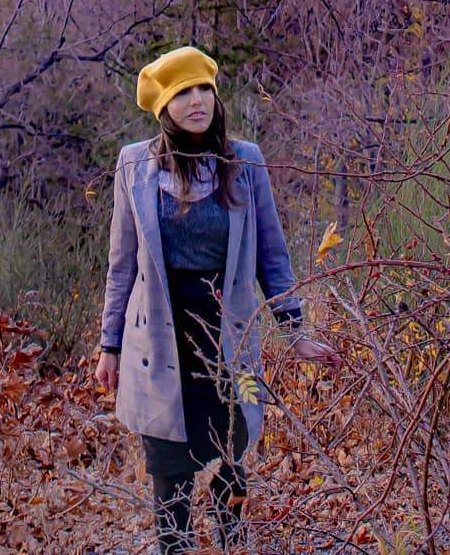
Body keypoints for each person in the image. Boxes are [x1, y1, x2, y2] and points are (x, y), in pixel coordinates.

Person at [96, 46, 338, 552]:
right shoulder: (134, 166)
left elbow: (272, 258)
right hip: (159, 339)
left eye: (203, 88)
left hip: (230, 333)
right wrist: (109, 345)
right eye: (183, 92)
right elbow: (121, 265)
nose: (197, 100)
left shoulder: (243, 162)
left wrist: (298, 333)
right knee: (170, 476)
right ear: (164, 106)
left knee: (233, 461)